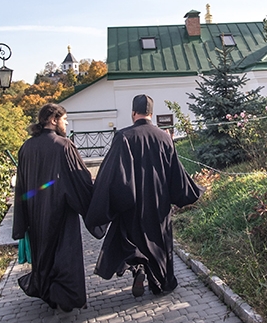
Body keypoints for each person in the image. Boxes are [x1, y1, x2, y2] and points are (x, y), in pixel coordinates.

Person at [85, 94, 203, 297]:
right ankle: (161, 283)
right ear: (151, 113)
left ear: (133, 113)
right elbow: (175, 172)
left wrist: (107, 197)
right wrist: (186, 193)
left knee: (131, 238)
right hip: (159, 203)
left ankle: (138, 268)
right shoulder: (164, 137)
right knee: (159, 242)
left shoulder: (124, 137)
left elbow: (112, 173)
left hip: (133, 204)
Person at [12, 103, 104, 312]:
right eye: (64, 119)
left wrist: (22, 218)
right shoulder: (63, 146)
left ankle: (47, 293)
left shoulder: (26, 147)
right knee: (64, 255)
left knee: (43, 255)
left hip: (35, 214)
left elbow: (21, 185)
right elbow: (80, 179)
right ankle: (63, 297)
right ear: (53, 120)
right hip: (61, 213)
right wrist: (97, 200)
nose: (66, 123)